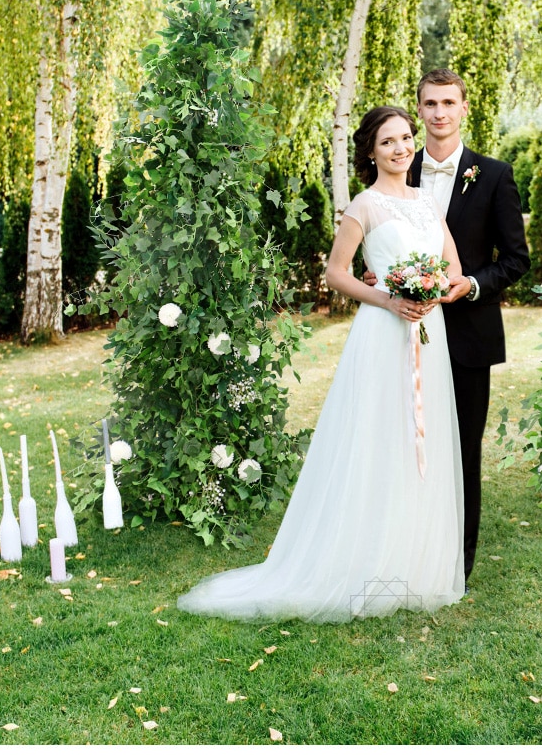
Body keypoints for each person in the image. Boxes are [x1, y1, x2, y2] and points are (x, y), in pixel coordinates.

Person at [178, 106, 466, 622]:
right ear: (371, 152)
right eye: (387, 142)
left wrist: (431, 293)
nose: (400, 149)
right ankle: (363, 559)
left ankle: (415, 564)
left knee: (421, 440)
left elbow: (452, 267)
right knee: (379, 438)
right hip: (383, 332)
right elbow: (336, 274)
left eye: (405, 138)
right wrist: (389, 300)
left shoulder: (428, 202)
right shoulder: (364, 205)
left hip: (428, 331)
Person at [408, 68, 529, 585]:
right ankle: (408, 543)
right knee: (409, 444)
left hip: (467, 338)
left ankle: (459, 558)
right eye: (430, 103)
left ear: (463, 109)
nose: (439, 113)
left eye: (448, 103)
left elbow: (516, 259)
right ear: (419, 110)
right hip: (406, 334)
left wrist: (472, 285)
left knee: (462, 449)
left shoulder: (495, 175)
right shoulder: (398, 166)